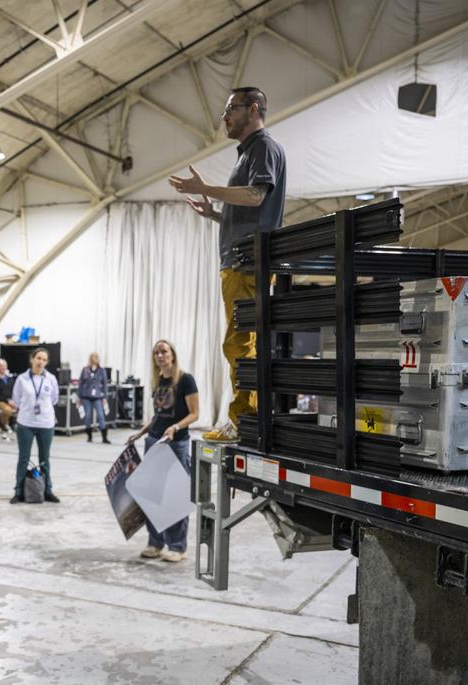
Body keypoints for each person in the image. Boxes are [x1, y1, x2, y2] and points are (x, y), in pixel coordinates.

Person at [168, 86, 286, 442]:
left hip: (246, 264)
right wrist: (216, 214)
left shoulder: (263, 147)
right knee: (240, 343)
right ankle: (246, 417)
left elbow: (256, 195)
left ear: (252, 109)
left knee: (240, 344)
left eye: (230, 109)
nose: (224, 117)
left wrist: (210, 188)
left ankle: (244, 421)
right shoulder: (248, 153)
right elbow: (253, 211)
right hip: (241, 261)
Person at [125, 340, 199, 563]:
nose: (160, 355)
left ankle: (177, 546)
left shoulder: (185, 380)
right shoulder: (158, 381)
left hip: (176, 443)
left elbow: (195, 413)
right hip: (154, 441)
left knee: (174, 496)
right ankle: (155, 543)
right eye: (156, 352)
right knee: (151, 495)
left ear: (173, 354)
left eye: (164, 351)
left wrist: (176, 427)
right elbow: (158, 415)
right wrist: (141, 432)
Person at [11, 348, 61, 504]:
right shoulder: (22, 379)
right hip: (26, 423)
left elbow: (54, 399)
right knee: (23, 458)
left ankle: (47, 491)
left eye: (44, 359)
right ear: (32, 359)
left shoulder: (51, 379)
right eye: (38, 358)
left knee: (44, 458)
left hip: (46, 423)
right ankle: (18, 492)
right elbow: (16, 399)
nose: (41, 362)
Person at [78, 352, 111, 444]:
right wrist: (79, 396)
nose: (96, 358)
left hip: (97, 396)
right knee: (87, 416)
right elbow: (80, 383)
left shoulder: (102, 370)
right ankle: (89, 436)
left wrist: (105, 397)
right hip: (86, 396)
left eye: (97, 357)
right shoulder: (85, 370)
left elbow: (105, 384)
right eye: (94, 356)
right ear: (91, 358)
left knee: (101, 415)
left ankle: (104, 437)